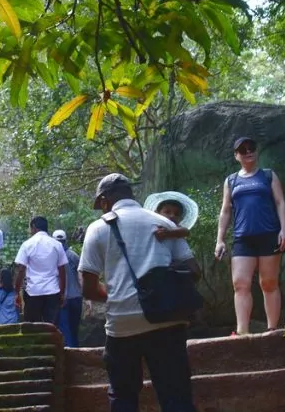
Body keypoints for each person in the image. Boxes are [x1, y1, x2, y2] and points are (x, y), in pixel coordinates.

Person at [80, 173, 198, 412]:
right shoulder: (164, 223)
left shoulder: (98, 228)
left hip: (122, 325)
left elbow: (88, 288)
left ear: (104, 201)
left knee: (123, 395)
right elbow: (193, 271)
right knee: (176, 395)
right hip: (167, 319)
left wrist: (117, 296)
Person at [215, 136, 285, 336]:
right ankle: (242, 332)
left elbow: (280, 202)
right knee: (240, 283)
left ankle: (272, 329)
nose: (248, 151)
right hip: (242, 238)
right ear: (236, 155)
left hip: (269, 234)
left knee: (268, 282)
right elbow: (225, 211)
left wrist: (284, 230)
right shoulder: (231, 180)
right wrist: (220, 239)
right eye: (243, 150)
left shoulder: (268, 175)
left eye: (251, 148)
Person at [13, 216, 68, 325]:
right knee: (52, 327)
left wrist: (16, 292)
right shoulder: (57, 245)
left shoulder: (27, 244)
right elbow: (62, 271)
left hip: (33, 291)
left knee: (33, 328)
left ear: (34, 227)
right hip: (53, 292)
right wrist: (61, 293)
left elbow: (21, 270)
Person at [53, 230, 83, 347]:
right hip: (76, 297)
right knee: (74, 329)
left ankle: (70, 354)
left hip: (62, 298)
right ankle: (76, 352)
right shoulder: (73, 255)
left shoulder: (53, 257)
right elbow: (82, 275)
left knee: (65, 329)